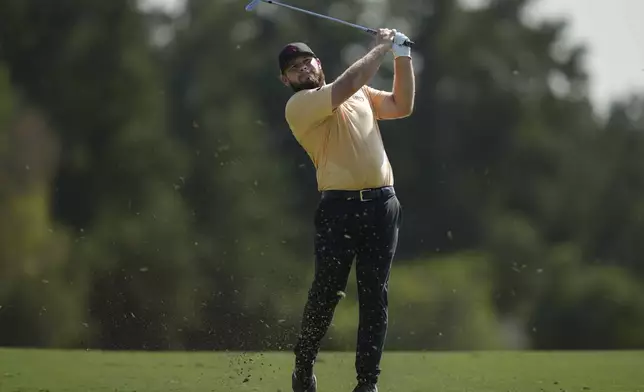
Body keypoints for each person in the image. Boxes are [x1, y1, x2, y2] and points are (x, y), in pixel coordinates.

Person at [279, 28, 415, 392]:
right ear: (286, 80)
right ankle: (304, 367)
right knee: (327, 294)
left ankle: (367, 384)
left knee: (375, 297)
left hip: (383, 205)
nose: (303, 68)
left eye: (307, 60)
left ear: (318, 62)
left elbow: (402, 106)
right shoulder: (300, 105)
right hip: (339, 209)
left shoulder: (361, 96)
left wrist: (403, 57)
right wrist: (383, 47)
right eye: (294, 67)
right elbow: (349, 81)